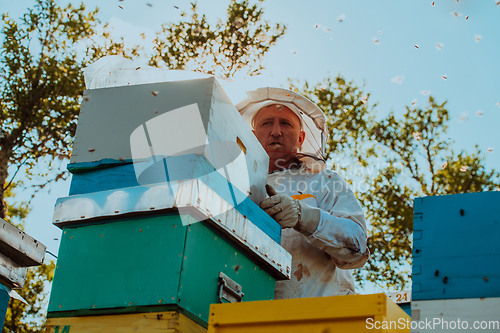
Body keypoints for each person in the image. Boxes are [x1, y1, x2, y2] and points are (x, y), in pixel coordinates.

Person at [236, 87, 369, 299]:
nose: (276, 131)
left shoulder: (325, 181)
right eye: (267, 123)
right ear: (252, 136)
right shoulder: (234, 184)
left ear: (301, 138)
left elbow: (358, 248)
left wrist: (304, 216)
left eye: (286, 123)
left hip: (317, 318)